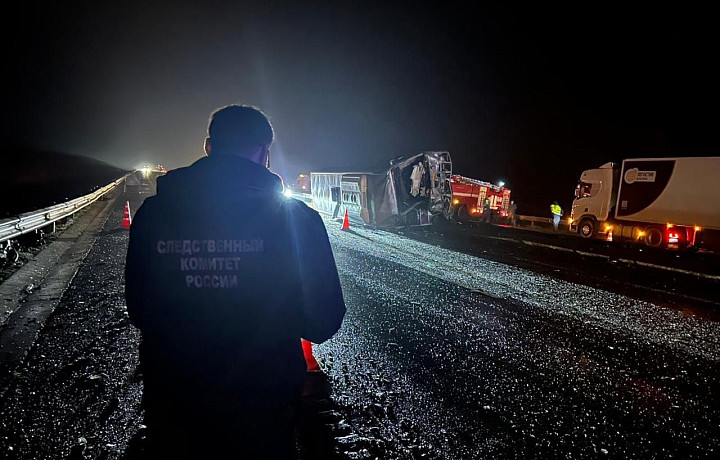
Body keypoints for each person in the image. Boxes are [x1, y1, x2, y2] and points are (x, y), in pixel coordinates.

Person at [125, 104, 346, 459]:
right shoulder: (296, 220)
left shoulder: (152, 214)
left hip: (174, 400)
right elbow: (322, 320)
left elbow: (139, 308)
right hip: (262, 408)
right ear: (265, 152)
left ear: (209, 147)